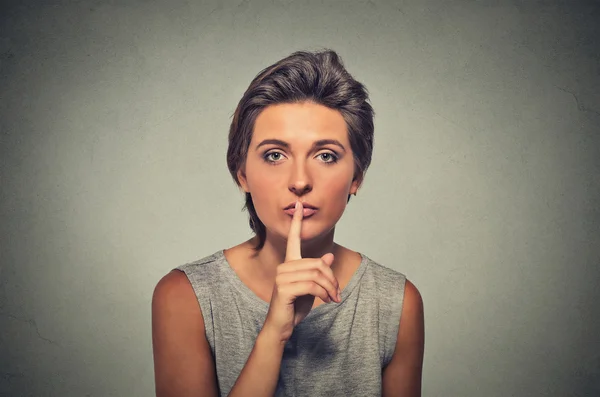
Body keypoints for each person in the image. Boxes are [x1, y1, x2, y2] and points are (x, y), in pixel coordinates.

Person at [151, 49, 425, 397]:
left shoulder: (395, 303)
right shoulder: (184, 296)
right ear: (242, 174)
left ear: (356, 176)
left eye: (326, 155)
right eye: (274, 155)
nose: (299, 180)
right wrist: (273, 334)